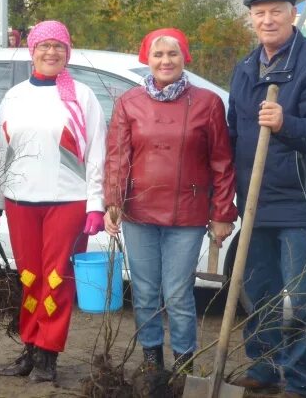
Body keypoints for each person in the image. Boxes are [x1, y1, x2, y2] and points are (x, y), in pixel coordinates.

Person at [103, 28, 237, 377]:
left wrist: (223, 213)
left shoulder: (207, 103)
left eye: (172, 54)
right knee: (145, 291)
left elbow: (222, 163)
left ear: (184, 58)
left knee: (177, 293)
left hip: (188, 215)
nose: (165, 61)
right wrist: (113, 202)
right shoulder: (128, 102)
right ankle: (151, 362)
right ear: (147, 58)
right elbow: (117, 158)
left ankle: (183, 363)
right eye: (158, 54)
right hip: (139, 211)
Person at [228, 0, 306, 398]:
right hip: (254, 202)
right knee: (259, 291)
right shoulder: (245, 68)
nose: (267, 20)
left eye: (276, 11)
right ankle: (266, 367)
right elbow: (233, 132)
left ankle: (304, 382)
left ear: (293, 14)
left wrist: (286, 122)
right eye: (259, 13)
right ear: (251, 20)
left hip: (301, 202)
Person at [0, 20, 107, 383]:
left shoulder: (81, 96)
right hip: (20, 200)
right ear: (32, 51)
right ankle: (29, 347)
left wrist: (95, 204)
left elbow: (98, 151)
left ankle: (48, 354)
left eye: (59, 46)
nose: (51, 52)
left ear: (67, 52)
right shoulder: (15, 96)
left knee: (56, 279)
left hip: (66, 200)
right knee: (29, 278)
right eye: (44, 46)